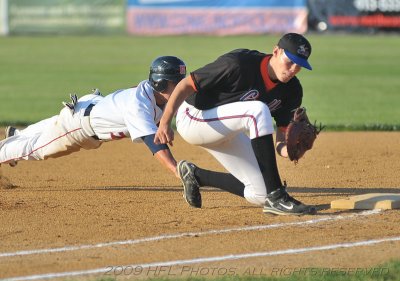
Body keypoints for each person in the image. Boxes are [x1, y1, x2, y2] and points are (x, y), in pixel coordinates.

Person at [155, 33, 317, 216]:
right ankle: (277, 196)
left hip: (225, 128)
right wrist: (165, 122)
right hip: (193, 116)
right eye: (290, 61)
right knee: (257, 110)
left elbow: (280, 139)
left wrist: (290, 150)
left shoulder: (292, 90)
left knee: (260, 193)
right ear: (276, 51)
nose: (294, 69)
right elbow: (185, 85)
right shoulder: (239, 63)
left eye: (300, 65)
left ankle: (196, 175)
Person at [0, 56, 188, 178]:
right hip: (80, 125)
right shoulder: (138, 107)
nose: (181, 87)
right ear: (160, 84)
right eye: (176, 84)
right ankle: (11, 145)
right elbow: (154, 143)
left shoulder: (150, 91)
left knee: (54, 127)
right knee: (38, 149)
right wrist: (177, 170)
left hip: (90, 108)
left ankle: (19, 133)